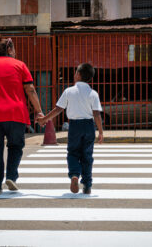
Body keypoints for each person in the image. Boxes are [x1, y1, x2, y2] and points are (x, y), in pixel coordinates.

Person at [0, 36, 44, 195]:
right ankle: (11, 176)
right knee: (16, 146)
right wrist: (38, 111)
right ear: (10, 49)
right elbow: (30, 89)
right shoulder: (20, 65)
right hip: (15, 114)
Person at [37, 63, 104, 195]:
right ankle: (87, 184)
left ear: (78, 75)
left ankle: (74, 174)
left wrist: (45, 119)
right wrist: (100, 131)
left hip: (74, 126)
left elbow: (58, 109)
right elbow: (97, 114)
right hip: (89, 126)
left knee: (73, 152)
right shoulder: (93, 93)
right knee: (87, 155)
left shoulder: (69, 91)